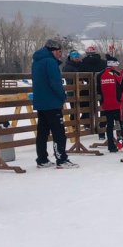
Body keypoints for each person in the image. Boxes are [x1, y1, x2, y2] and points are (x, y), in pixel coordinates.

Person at [30, 38, 78, 168]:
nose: (60, 54)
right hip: (52, 102)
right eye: (58, 51)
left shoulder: (36, 62)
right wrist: (62, 96)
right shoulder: (51, 62)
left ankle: (42, 159)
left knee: (42, 132)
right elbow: (55, 82)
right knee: (58, 132)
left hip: (41, 102)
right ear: (51, 50)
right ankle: (61, 159)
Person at [98, 57, 123, 152]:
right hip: (117, 103)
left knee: (109, 125)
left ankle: (111, 146)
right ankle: (122, 143)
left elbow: (99, 90)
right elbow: (121, 86)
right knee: (120, 124)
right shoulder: (116, 74)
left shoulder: (100, 75)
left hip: (106, 104)